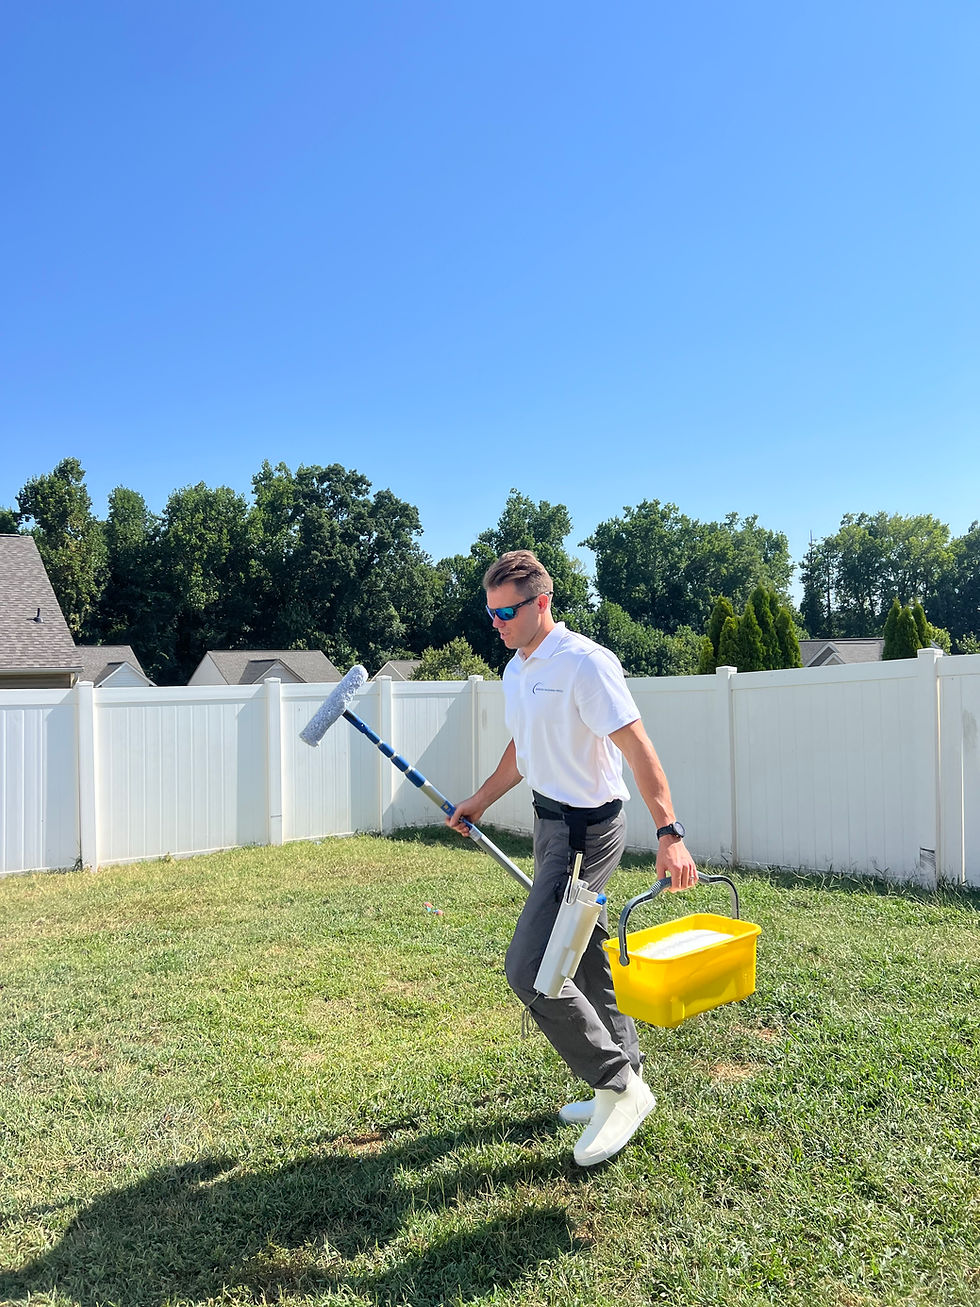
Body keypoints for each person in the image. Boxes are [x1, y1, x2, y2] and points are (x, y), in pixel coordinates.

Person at [448, 549, 698, 1167]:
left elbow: (637, 748)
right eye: (490, 612)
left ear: (541, 603)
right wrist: (478, 802)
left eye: (507, 611)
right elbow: (522, 748)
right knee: (583, 951)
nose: (497, 622)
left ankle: (619, 1085)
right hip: (550, 824)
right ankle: (624, 1073)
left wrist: (670, 831)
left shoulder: (586, 663)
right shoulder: (517, 670)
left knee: (533, 968)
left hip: (588, 830)